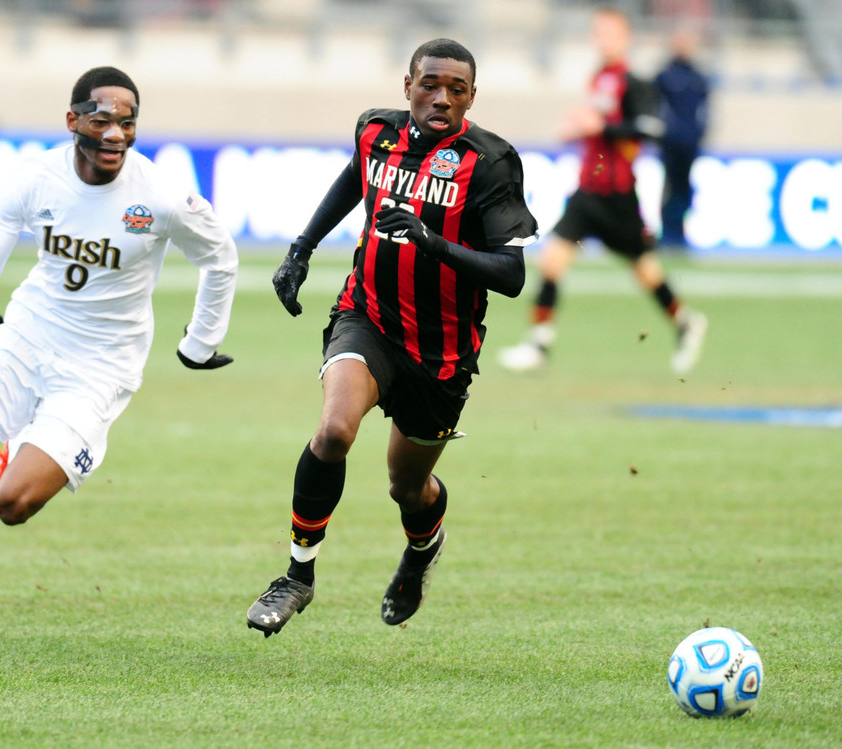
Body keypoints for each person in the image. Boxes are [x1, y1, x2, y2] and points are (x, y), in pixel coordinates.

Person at [0, 66, 238, 638]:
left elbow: (220, 256)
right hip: (27, 336)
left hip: (100, 367)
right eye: (102, 120)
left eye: (127, 123)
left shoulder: (162, 195)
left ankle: (21, 450)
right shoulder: (36, 177)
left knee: (12, 505)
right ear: (73, 120)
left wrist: (200, 341)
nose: (115, 134)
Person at [245, 39, 538, 636]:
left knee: (408, 487)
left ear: (472, 98)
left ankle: (421, 552)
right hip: (368, 317)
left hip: (441, 353)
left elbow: (511, 275)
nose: (442, 98)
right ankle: (298, 576)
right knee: (334, 431)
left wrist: (432, 242)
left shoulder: (490, 162)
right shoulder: (376, 132)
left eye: (456, 89)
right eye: (430, 84)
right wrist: (301, 249)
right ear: (408, 87)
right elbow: (354, 179)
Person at [499, 8, 707, 376]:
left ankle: (685, 322)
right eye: (598, 33)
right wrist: (577, 130)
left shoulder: (634, 82)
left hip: (617, 194)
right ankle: (538, 345)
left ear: (626, 39)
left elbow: (649, 128)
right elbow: (596, 126)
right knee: (552, 260)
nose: (603, 40)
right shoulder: (598, 78)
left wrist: (602, 128)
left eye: (610, 33)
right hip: (588, 191)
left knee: (645, 270)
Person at [655, 24, 710, 248]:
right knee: (670, 188)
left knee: (684, 189)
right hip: (669, 143)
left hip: (690, 144)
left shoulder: (698, 77)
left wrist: (700, 134)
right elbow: (655, 107)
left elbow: (705, 111)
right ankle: (668, 233)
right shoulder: (665, 75)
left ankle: (680, 233)